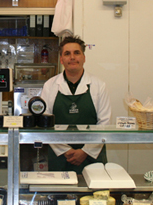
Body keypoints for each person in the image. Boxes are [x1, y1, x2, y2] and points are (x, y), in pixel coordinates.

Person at [40, 35, 111, 174]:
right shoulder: (50, 85)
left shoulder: (99, 85)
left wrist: (85, 151)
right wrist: (65, 150)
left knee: (96, 195)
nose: (72, 57)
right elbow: (45, 123)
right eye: (67, 53)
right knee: (60, 195)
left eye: (76, 53)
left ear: (84, 57)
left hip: (92, 157)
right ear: (61, 59)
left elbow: (105, 123)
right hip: (60, 157)